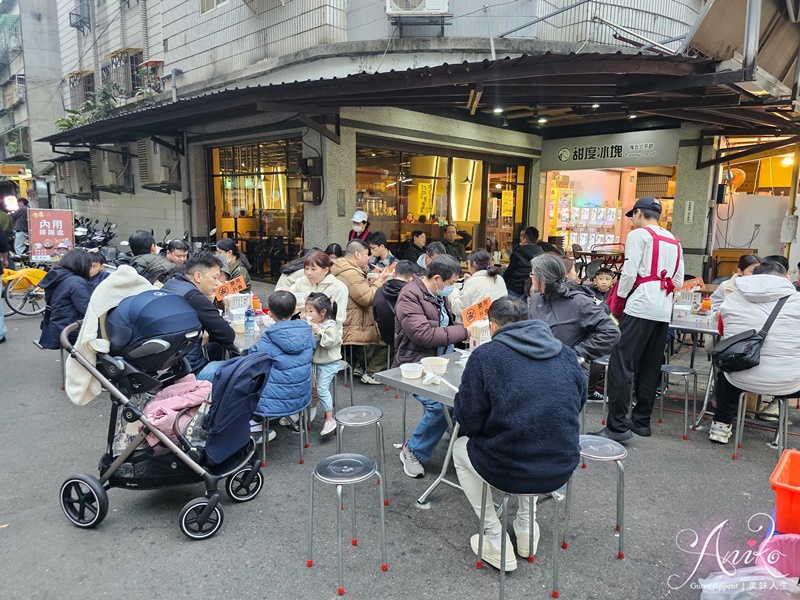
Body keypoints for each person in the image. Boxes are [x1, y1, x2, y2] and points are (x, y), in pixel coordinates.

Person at [453, 296, 586, 570]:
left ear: (492, 326)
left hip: (509, 468)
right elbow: (578, 401)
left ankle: (494, 534)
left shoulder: (485, 356)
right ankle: (526, 527)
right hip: (561, 466)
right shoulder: (565, 352)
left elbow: (469, 418)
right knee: (533, 436)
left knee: (459, 449)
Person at [594, 196, 683, 442]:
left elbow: (630, 274)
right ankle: (641, 421)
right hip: (663, 308)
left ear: (640, 213)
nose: (632, 220)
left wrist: (619, 301)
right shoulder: (674, 240)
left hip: (640, 305)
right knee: (650, 365)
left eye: (632, 215)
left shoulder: (638, 235)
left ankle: (617, 426)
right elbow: (677, 281)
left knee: (621, 363)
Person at [708, 261, 800, 444]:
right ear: (787, 278)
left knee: (726, 375)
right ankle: (776, 413)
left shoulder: (733, 298)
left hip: (741, 378)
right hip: (790, 383)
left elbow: (722, 331)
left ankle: (721, 425)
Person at [395, 255, 469, 478]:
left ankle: (457, 433)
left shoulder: (436, 294)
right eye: (451, 283)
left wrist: (469, 326)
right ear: (437, 278)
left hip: (442, 362)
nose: (452, 288)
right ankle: (413, 451)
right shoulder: (409, 295)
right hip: (415, 364)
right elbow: (423, 335)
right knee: (440, 406)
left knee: (466, 396)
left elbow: (443, 325)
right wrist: (465, 331)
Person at [528, 254, 620, 392]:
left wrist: (577, 353)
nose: (531, 277)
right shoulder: (536, 299)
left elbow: (611, 332)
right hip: (539, 368)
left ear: (543, 278)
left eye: (532, 274)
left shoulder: (578, 302)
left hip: (568, 373)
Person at [249, 290, 316, 435]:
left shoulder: (268, 337)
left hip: (272, 400)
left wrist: (256, 342)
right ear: (294, 310)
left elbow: (252, 359)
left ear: (270, 313)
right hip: (302, 394)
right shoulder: (307, 331)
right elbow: (313, 349)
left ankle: (256, 426)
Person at [161, 252, 235, 378]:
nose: (218, 283)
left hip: (167, 364)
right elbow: (228, 335)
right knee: (243, 367)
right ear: (198, 276)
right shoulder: (194, 297)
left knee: (215, 348)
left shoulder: (172, 284)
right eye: (215, 277)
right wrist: (209, 302)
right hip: (188, 370)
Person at [331, 240, 391, 384]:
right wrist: (380, 281)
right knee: (387, 335)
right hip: (354, 321)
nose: (369, 258)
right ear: (357, 254)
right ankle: (372, 372)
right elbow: (367, 299)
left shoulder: (343, 267)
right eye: (366, 254)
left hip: (349, 317)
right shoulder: (351, 272)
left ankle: (361, 366)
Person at [38, 248, 94, 349]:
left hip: (54, 327)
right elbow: (87, 310)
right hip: (70, 330)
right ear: (82, 264)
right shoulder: (77, 282)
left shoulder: (57, 275)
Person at [304, 292, 342, 436]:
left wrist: (317, 329)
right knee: (311, 387)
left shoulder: (330, 325)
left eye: (311, 311)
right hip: (316, 362)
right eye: (306, 310)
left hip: (329, 363)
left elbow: (328, 343)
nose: (308, 313)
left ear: (323, 312)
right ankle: (311, 406)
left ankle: (330, 418)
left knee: (321, 389)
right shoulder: (317, 323)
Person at [288, 250, 349, 328]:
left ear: (326, 270)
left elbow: (338, 319)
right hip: (304, 331)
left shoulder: (339, 287)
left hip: (327, 334)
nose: (309, 273)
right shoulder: (302, 281)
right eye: (306, 269)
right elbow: (289, 296)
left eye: (313, 269)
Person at [450, 249, 507, 320]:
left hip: (479, 327)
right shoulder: (499, 278)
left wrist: (454, 289)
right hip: (498, 322)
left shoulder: (473, 282)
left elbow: (458, 308)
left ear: (474, 264)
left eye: (468, 263)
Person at [373, 259, 415, 347]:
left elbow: (376, 316)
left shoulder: (379, 291)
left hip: (386, 338)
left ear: (392, 275)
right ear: (411, 279)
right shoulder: (413, 294)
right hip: (407, 340)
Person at [502, 226, 543, 297]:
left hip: (514, 288)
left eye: (521, 236)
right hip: (531, 289)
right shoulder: (541, 253)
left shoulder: (518, 253)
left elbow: (509, 272)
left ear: (525, 240)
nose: (520, 238)